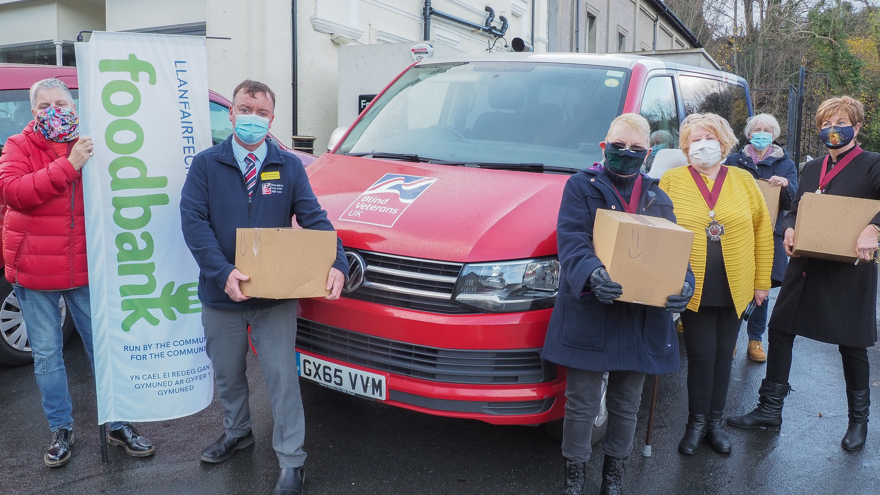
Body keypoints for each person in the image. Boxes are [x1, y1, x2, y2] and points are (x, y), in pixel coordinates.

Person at [180, 79, 347, 495]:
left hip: (275, 296)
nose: (252, 118)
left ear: (271, 118)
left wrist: (337, 262)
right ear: (231, 114)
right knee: (228, 373)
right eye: (244, 109)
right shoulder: (206, 164)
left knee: (281, 378)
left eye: (262, 112)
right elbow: (193, 222)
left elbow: (314, 218)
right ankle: (238, 433)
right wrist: (222, 272)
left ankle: (293, 462)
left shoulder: (288, 166)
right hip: (222, 293)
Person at [0, 78, 154, 467]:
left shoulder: (92, 142)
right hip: (35, 271)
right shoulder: (19, 146)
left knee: (103, 351)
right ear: (32, 112)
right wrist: (68, 166)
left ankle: (118, 424)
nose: (54, 111)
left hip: (87, 269)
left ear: (74, 107)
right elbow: (15, 193)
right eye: (44, 106)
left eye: (61, 104)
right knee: (48, 357)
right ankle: (62, 430)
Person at [542, 113, 694, 495]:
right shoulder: (582, 186)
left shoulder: (658, 195)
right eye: (619, 146)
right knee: (581, 403)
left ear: (648, 152)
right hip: (592, 308)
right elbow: (571, 237)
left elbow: (673, 248)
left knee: (627, 403)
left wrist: (684, 284)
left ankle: (613, 480)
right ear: (603, 147)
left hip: (641, 315)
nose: (626, 154)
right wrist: (592, 274)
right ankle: (574, 480)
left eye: (636, 149)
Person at [728, 96, 880, 451]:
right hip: (805, 266)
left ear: (856, 127)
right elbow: (795, 210)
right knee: (780, 331)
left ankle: (859, 422)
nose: (832, 130)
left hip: (850, 271)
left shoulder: (873, 165)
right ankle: (769, 410)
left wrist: (875, 228)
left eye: (840, 122)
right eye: (826, 124)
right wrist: (792, 227)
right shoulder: (812, 169)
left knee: (852, 345)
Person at [658, 113, 773, 456]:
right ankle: (695, 423)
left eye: (708, 137)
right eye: (694, 139)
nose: (701, 144)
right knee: (700, 355)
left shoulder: (743, 180)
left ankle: (716, 424)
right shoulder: (672, 180)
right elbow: (658, 230)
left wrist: (762, 282)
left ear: (722, 144)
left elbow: (762, 232)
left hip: (734, 284)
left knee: (724, 356)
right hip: (692, 285)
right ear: (686, 146)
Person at [723, 114, 799, 362]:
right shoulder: (733, 161)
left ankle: (755, 339)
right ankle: (730, 338)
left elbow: (794, 202)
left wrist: (786, 184)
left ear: (775, 135)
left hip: (769, 233)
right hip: (735, 232)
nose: (762, 132)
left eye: (767, 129)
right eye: (757, 129)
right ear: (748, 134)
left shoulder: (785, 164)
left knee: (760, 288)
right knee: (733, 283)